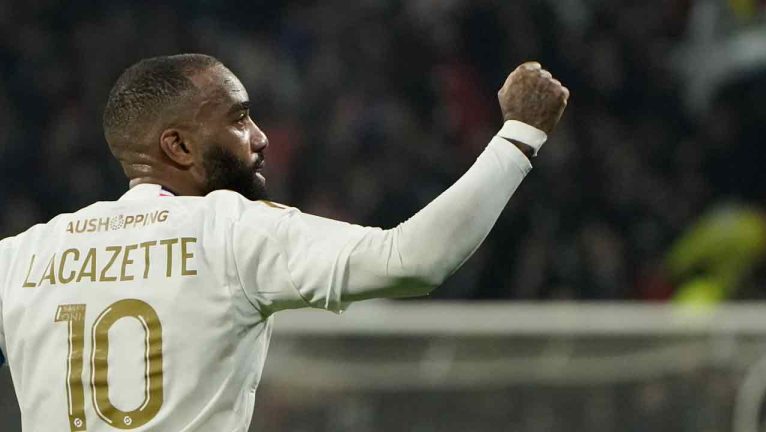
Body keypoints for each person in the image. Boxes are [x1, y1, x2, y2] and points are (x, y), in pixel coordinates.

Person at [0, 54, 568, 431]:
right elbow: (414, 260)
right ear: (177, 146)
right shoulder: (229, 229)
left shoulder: (20, 256)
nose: (261, 137)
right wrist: (519, 136)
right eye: (240, 119)